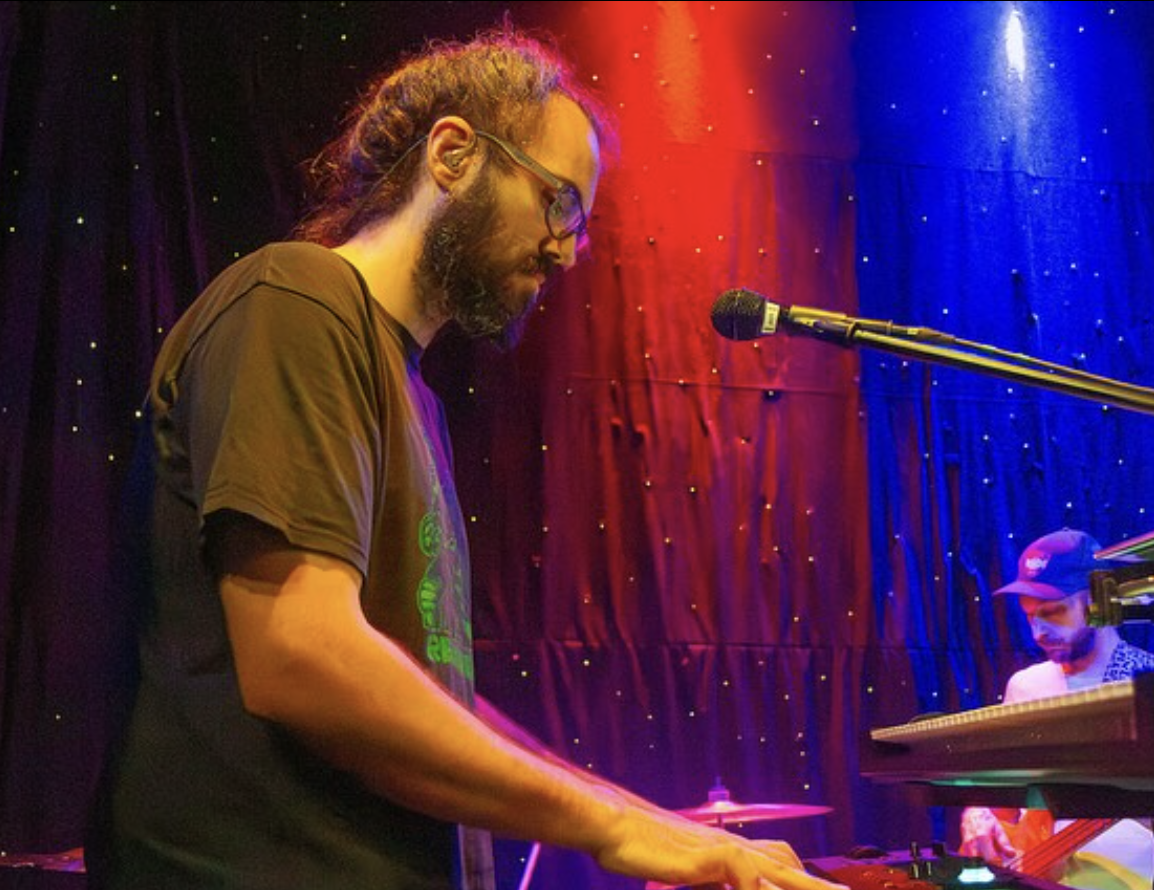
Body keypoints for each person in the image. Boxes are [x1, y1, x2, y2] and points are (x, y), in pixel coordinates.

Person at [85, 24, 846, 890]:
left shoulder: (414, 396)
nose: (567, 248)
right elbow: (302, 652)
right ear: (453, 155)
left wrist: (649, 821)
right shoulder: (294, 299)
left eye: (583, 226)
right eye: (559, 202)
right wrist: (603, 827)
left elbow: (424, 691)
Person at [959, 528, 1154, 890]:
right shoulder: (1024, 686)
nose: (1038, 633)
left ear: (1098, 601)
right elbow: (1004, 799)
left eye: (1053, 612)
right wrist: (978, 812)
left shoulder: (1145, 682)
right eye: (1030, 615)